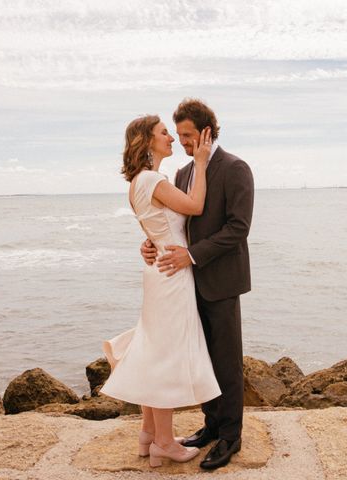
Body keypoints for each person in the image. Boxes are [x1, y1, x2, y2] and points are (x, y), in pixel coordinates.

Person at [100, 114, 221, 468]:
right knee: (164, 354)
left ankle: (149, 434)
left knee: (154, 347)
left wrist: (149, 243)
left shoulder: (138, 182)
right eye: (163, 133)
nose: (170, 138)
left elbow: (156, 226)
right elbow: (195, 206)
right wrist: (200, 163)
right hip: (171, 274)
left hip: (158, 270)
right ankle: (165, 443)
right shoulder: (154, 179)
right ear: (147, 141)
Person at [141, 98, 254, 470]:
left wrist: (191, 255)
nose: (183, 142)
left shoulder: (236, 169)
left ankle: (230, 437)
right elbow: (179, 223)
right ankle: (210, 425)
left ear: (206, 131)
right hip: (188, 283)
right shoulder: (185, 173)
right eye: (178, 135)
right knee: (201, 359)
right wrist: (152, 243)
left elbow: (237, 230)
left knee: (226, 362)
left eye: (188, 135)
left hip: (220, 281)